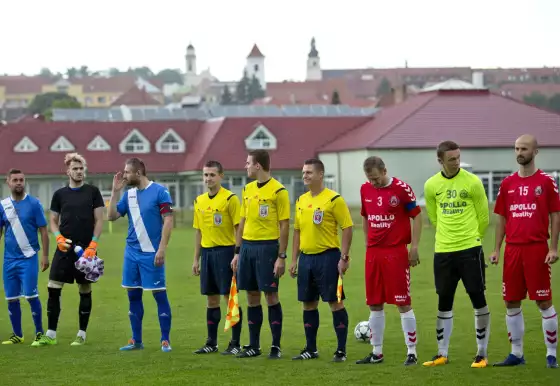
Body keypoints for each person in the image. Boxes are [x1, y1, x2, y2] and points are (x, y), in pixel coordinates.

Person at [490, 134, 559, 369]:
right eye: (517, 148)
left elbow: (555, 215)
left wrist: (553, 248)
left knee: (543, 301)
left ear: (535, 152)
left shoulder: (546, 182)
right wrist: (497, 249)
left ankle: (551, 354)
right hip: (513, 251)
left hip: (537, 249)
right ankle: (516, 354)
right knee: (511, 301)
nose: (519, 152)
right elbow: (501, 219)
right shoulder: (508, 183)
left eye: (524, 148)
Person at [422, 140, 491, 368]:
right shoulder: (431, 185)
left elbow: (483, 218)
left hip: (470, 249)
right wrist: (447, 238)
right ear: (440, 160)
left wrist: (472, 239)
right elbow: (433, 218)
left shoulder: (472, 182)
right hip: (443, 251)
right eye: (451, 159)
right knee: (444, 301)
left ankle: (481, 353)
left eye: (458, 157)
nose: (456, 162)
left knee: (478, 298)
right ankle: (442, 353)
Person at [355, 156, 423, 366]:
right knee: (375, 303)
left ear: (384, 171)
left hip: (396, 252)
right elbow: (366, 216)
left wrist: (414, 247)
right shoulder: (365, 189)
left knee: (403, 303)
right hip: (374, 254)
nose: (373, 182)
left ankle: (411, 352)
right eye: (370, 179)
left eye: (376, 178)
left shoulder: (402, 189)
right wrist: (367, 242)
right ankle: (377, 353)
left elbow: (417, 216)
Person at [289, 158, 353, 362]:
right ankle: (311, 349)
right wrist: (293, 260)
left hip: (328, 257)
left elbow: (348, 227)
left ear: (320, 175)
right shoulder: (300, 201)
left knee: (335, 302)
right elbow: (297, 232)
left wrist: (344, 257)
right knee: (308, 304)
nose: (304, 176)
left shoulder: (334, 200)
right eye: (303, 172)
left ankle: (341, 350)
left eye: (308, 172)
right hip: (306, 259)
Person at [107, 158, 174, 353]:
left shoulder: (160, 191)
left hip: (152, 254)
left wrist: (162, 248)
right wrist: (114, 192)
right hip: (131, 254)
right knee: (133, 296)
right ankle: (136, 340)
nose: (124, 175)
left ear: (138, 173)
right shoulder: (128, 195)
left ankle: (165, 340)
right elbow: (111, 216)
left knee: (159, 295)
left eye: (127, 172)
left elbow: (168, 220)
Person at [38, 153, 104, 347]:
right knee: (53, 287)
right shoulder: (59, 194)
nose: (79, 172)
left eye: (81, 168)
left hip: (86, 250)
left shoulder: (93, 191)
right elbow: (52, 220)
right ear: (68, 171)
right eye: (75, 169)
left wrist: (93, 244)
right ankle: (50, 334)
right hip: (64, 248)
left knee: (84, 288)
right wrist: (57, 237)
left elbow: (100, 219)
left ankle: (81, 334)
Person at [231, 150, 290, 359]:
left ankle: (276, 345)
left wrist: (281, 256)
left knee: (271, 296)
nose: (245, 166)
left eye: (248, 163)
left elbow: (284, 226)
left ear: (258, 166)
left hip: (267, 248)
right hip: (247, 248)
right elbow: (242, 222)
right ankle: (254, 346)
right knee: (252, 296)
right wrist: (237, 252)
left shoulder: (279, 191)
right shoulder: (246, 189)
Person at [192, 160, 244, 355]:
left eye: (212, 175)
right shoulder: (199, 201)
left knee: (229, 298)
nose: (208, 179)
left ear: (221, 176)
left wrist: (237, 253)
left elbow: (239, 228)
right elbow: (198, 232)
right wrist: (196, 259)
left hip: (226, 253)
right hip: (207, 254)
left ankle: (235, 343)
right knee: (211, 300)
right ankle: (211, 343)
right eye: (205, 175)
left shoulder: (230, 199)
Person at [0, 169, 50, 346]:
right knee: (11, 298)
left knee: (30, 295)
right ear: (8, 182)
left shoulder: (34, 204)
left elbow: (43, 230)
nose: (19, 182)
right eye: (15, 180)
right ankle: (17, 335)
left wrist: (44, 255)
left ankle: (39, 334)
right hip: (8, 261)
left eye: (21, 180)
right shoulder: (3, 205)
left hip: (28, 257)